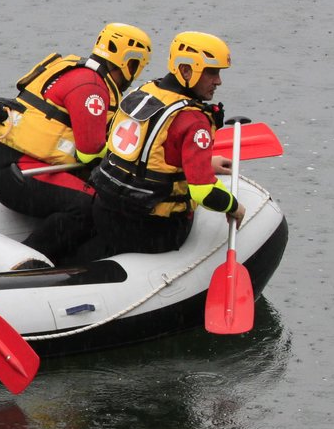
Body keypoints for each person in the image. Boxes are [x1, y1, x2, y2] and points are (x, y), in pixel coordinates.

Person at [0, 23, 152, 263]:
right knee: (90, 206)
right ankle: (28, 261)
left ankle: (64, 254)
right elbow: (90, 153)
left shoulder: (80, 73)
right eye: (136, 66)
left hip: (18, 165)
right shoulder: (91, 87)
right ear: (128, 61)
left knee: (90, 201)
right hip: (19, 172)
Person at [74, 31, 244, 260]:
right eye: (211, 72)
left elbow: (142, 154)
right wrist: (234, 207)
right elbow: (203, 193)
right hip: (152, 228)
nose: (218, 81)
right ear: (186, 70)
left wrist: (206, 162)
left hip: (105, 211)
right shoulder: (194, 120)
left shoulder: (143, 92)